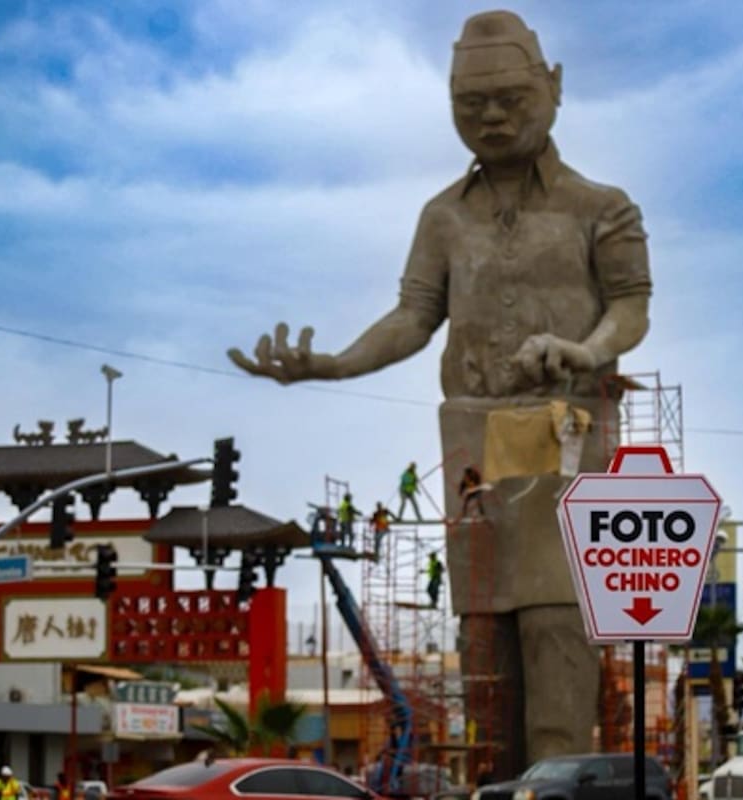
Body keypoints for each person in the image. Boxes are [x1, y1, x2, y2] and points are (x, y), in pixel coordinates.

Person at [229, 10, 650, 774]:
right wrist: (332, 364)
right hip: (474, 447)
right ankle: (498, 787)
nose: (492, 118)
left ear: (553, 87)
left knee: (556, 628)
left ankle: (556, 786)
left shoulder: (601, 208)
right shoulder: (443, 217)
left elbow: (632, 307)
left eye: (511, 99)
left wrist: (583, 350)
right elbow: (414, 316)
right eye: (471, 104)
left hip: (569, 438)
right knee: (484, 648)